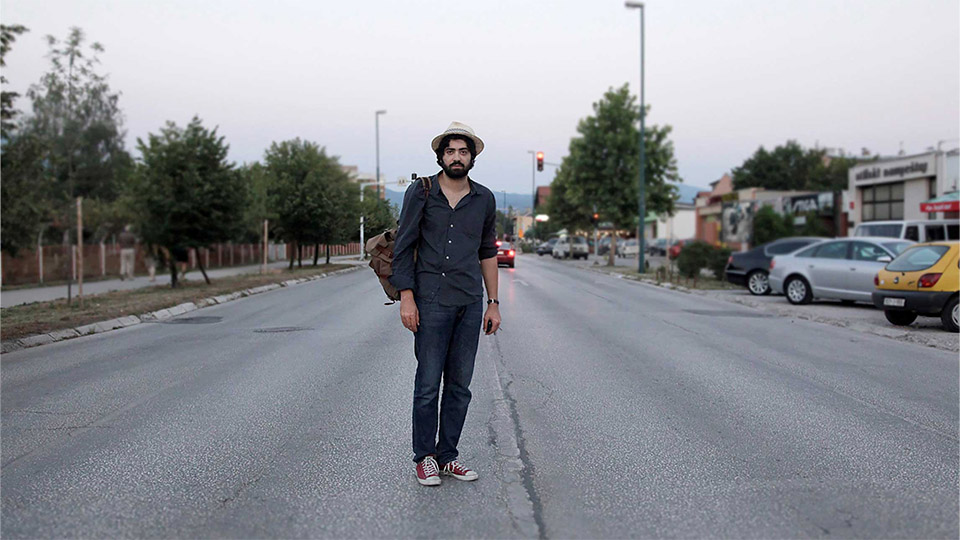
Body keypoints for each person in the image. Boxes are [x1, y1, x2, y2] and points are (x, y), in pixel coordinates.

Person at [390, 122, 501, 487]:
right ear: (441, 156)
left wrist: (493, 302)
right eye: (451, 151)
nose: (457, 157)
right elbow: (403, 246)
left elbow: (487, 251)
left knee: (459, 387)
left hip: (469, 302)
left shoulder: (483, 198)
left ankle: (447, 456)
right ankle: (424, 457)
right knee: (427, 384)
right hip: (430, 301)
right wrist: (407, 297)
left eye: (463, 152)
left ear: (472, 158)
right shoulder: (421, 192)